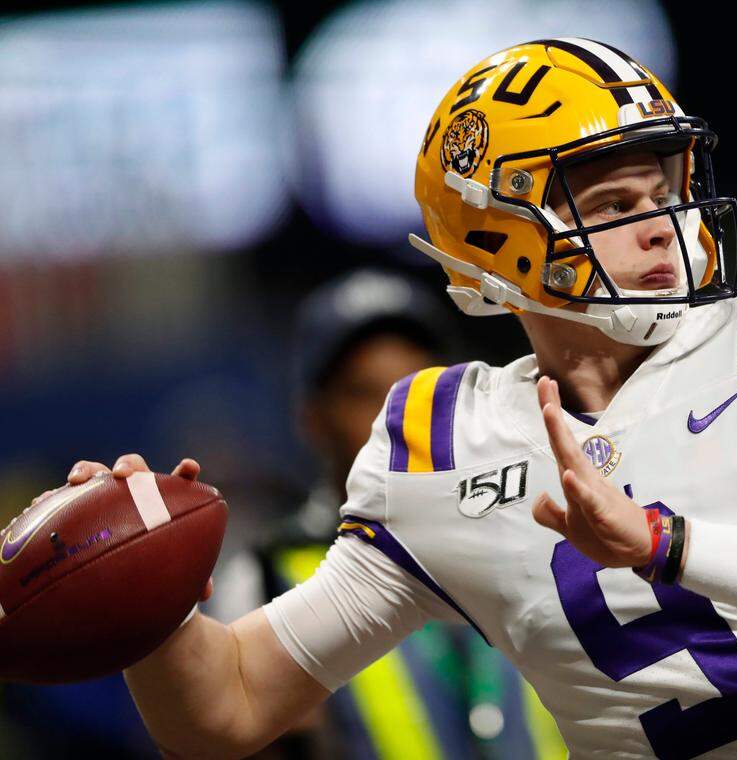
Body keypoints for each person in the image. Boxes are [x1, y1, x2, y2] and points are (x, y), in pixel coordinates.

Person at [65, 38, 737, 758]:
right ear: (498, 236)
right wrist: (144, 603)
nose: (664, 227)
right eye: (616, 203)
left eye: (664, 189)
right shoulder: (441, 439)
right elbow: (226, 708)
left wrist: (667, 543)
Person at [208, 268, 565, 759]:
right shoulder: (266, 576)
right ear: (313, 419)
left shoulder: (531, 529)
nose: (397, 418)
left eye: (417, 389)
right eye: (365, 393)